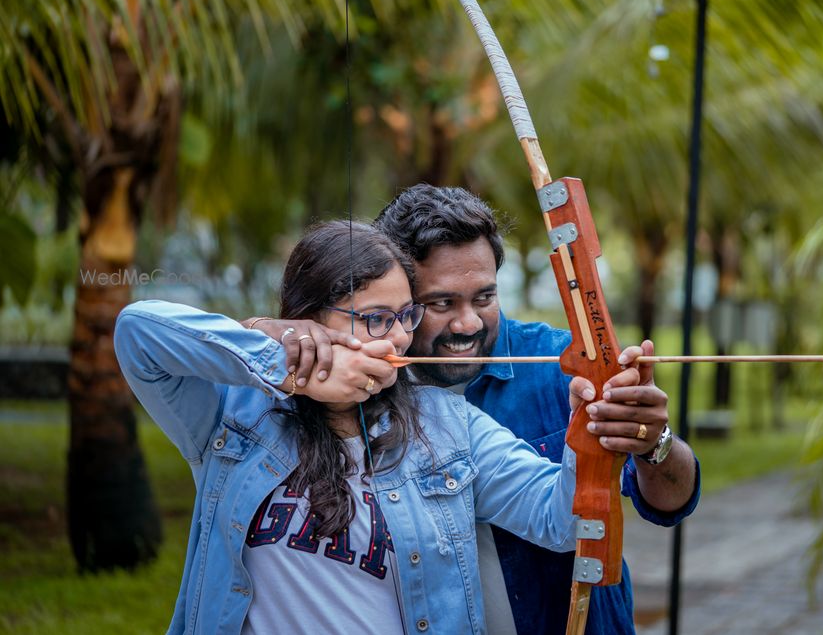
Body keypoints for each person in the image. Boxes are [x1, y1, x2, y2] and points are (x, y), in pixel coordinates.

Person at [114, 220, 638, 634]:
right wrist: (283, 362)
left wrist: (591, 429)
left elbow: (564, 520)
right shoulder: (235, 414)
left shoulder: (448, 427)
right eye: (373, 319)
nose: (396, 341)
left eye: (405, 315)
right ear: (309, 318)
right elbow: (138, 333)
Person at [268, 187, 700, 634]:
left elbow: (663, 504)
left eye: (484, 298)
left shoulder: (562, 364)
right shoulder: (358, 391)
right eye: (441, 303)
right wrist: (262, 331)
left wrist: (654, 443)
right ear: (397, 297)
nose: (468, 324)